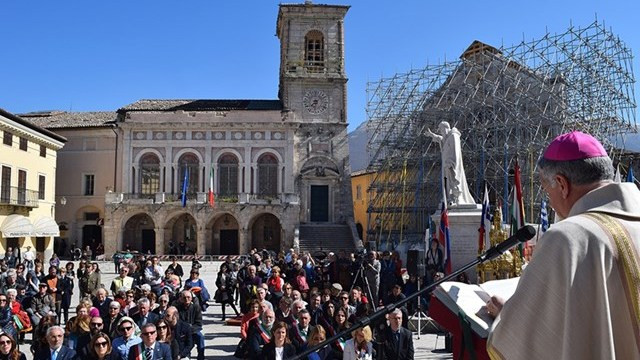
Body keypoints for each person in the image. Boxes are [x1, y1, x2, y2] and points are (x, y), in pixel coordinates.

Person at [486, 131, 640, 359]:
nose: (550, 202)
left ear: (562, 184)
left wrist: (506, 315)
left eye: (548, 192)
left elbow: (521, 342)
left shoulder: (568, 239)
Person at [425, 121, 475, 205]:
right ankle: (450, 197)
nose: (441, 132)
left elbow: (456, 151)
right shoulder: (448, 137)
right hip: (447, 164)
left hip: (451, 164)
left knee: (453, 181)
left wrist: (452, 163)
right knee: (448, 183)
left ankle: (455, 198)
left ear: (445, 128)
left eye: (441, 130)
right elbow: (441, 139)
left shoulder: (453, 136)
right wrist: (432, 135)